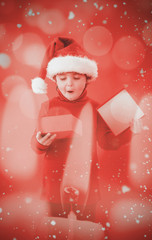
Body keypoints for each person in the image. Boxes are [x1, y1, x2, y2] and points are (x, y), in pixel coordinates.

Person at [31, 37, 132, 222]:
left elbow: (107, 142)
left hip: (86, 180)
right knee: (56, 225)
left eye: (76, 78)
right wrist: (39, 142)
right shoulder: (47, 106)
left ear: (87, 79)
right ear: (55, 80)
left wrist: (128, 131)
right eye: (63, 78)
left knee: (87, 226)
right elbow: (36, 142)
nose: (69, 84)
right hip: (54, 180)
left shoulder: (94, 108)